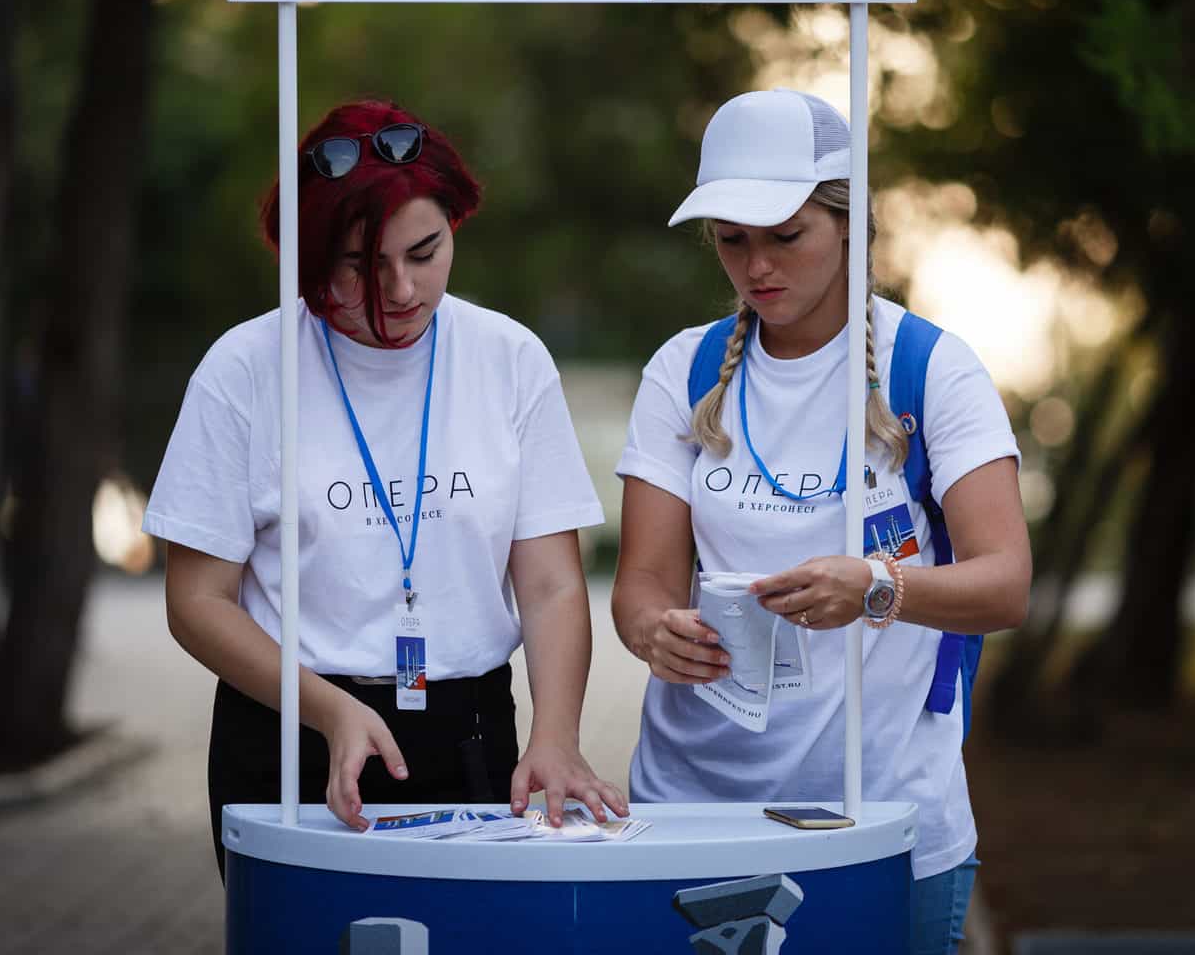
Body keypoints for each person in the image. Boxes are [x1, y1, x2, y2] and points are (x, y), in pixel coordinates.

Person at [143, 99, 626, 877]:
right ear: (309, 256)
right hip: (290, 726)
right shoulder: (245, 368)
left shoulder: (510, 358)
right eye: (361, 266)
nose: (400, 289)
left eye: (424, 253)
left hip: (470, 729)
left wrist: (556, 736)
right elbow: (196, 602)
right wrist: (331, 712)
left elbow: (549, 584)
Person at [611, 89, 1031, 955]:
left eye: (786, 235)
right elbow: (641, 584)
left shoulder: (931, 370)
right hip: (690, 818)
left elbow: (1006, 583)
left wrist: (876, 586)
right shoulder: (682, 369)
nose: (757, 265)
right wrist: (656, 631)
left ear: (851, 224)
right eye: (733, 240)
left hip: (883, 822)